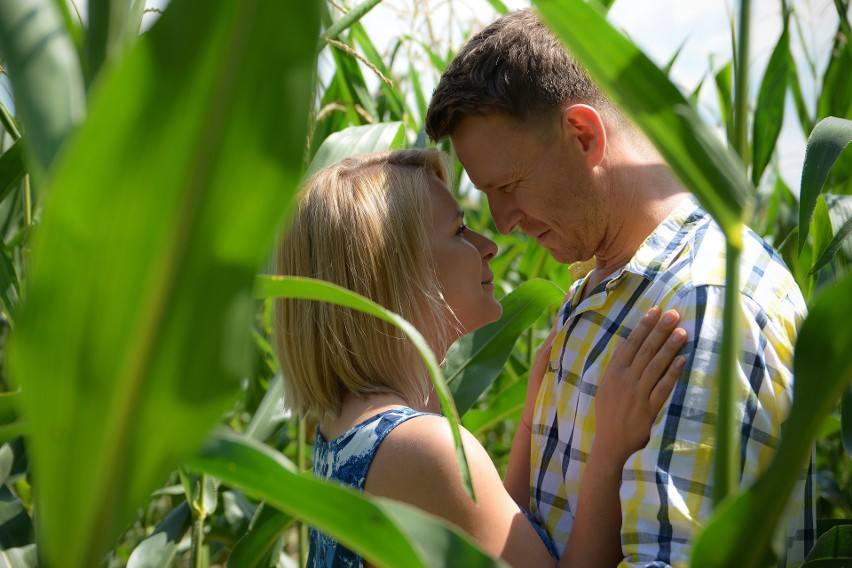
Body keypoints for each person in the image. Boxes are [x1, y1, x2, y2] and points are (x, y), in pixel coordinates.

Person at [424, 8, 813, 567]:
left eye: (507, 185)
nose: (501, 221)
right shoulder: (603, 285)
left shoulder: (704, 305)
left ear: (582, 136)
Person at [274, 148, 688, 568]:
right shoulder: (422, 449)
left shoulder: (345, 428)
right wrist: (611, 447)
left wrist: (530, 413)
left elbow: (494, 539)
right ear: (398, 270)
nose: (489, 246)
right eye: (459, 231)